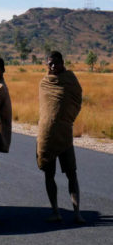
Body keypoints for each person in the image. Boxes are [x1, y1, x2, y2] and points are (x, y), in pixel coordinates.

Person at [37, 51, 84, 223]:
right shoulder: (44, 83)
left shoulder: (70, 80)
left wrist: (67, 120)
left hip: (65, 134)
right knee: (49, 174)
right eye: (50, 63)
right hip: (47, 134)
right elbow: (45, 109)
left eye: (56, 63)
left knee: (72, 173)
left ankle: (77, 212)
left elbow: (76, 101)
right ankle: (55, 210)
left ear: (63, 62)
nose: (53, 66)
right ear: (46, 64)